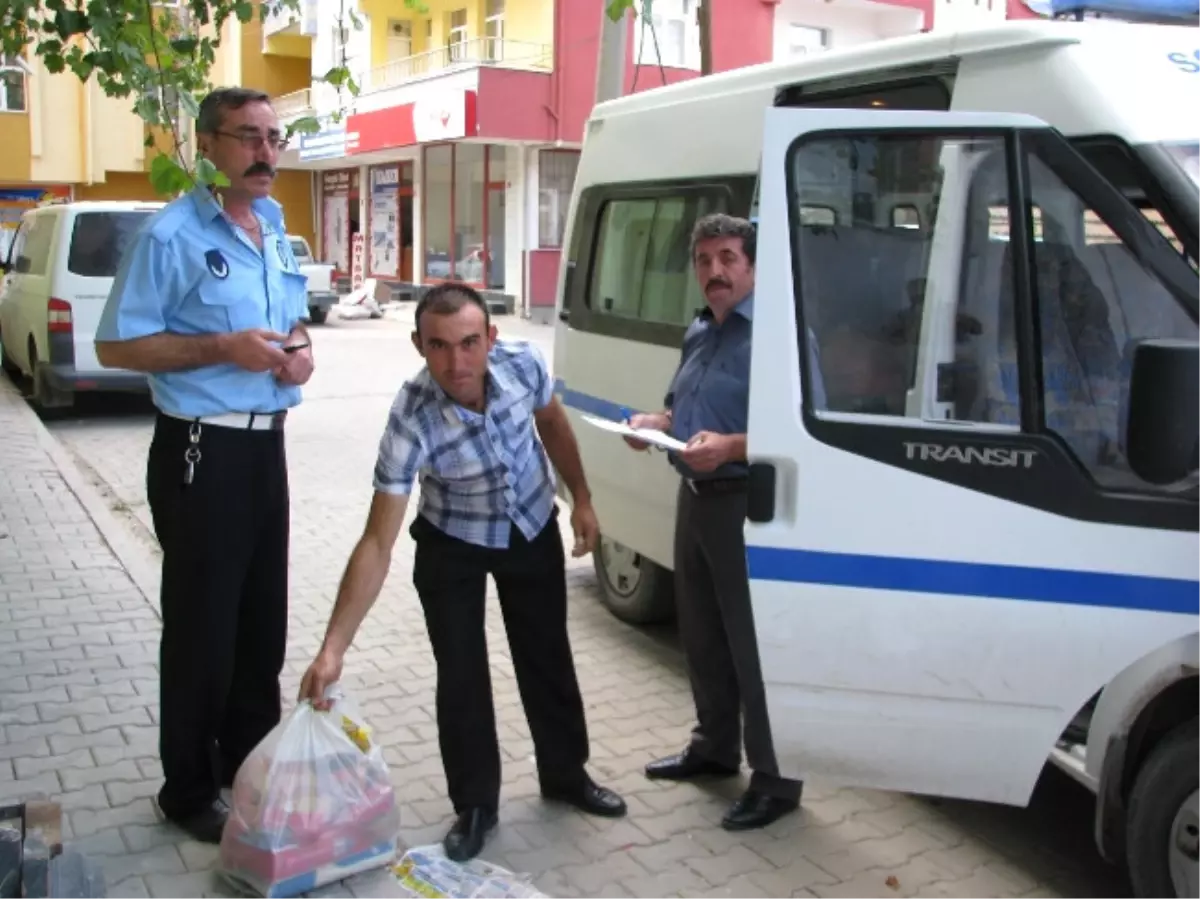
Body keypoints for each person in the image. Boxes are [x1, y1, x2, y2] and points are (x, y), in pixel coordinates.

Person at [299, 283, 626, 863]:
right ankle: (476, 804)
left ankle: (566, 774)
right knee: (462, 673)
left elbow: (551, 422)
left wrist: (582, 498)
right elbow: (378, 541)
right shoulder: (411, 416)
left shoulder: (524, 364)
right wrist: (333, 647)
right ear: (419, 345)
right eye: (440, 346)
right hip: (453, 540)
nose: (457, 362)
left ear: (491, 338)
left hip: (528, 524)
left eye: (470, 343)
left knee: (547, 654)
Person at [95, 87, 313, 844]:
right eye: (248, 137)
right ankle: (187, 788)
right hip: (200, 449)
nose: (265, 153)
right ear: (209, 145)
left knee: (262, 624)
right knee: (203, 629)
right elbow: (117, 346)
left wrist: (301, 351)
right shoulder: (173, 235)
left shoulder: (276, 227)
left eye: (274, 138)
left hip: (266, 444)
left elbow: (290, 323)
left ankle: (245, 768)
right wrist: (221, 347)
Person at [626, 213, 804, 831]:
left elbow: (799, 436)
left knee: (752, 648)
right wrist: (654, 424)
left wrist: (728, 447)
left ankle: (777, 780)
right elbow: (682, 407)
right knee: (702, 636)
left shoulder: (777, 338)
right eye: (704, 261)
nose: (715, 272)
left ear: (751, 265)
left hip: (746, 505)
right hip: (695, 497)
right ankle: (714, 748)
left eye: (728, 258)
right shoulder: (700, 332)